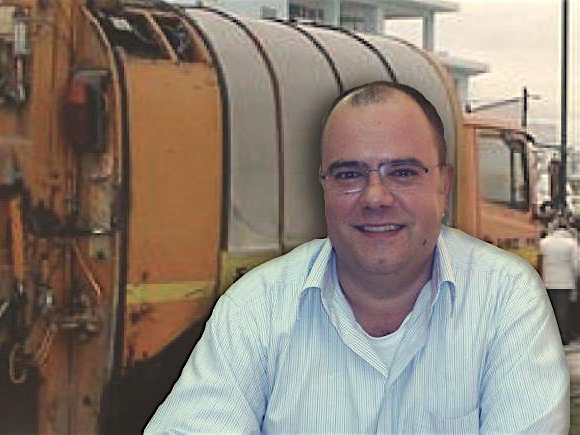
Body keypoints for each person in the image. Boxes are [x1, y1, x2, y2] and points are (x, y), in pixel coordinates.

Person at [145, 82, 568, 433]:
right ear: (323, 187)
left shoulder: (505, 300)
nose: (375, 198)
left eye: (402, 173)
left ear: (443, 186)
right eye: (349, 175)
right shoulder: (255, 308)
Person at [540, 216, 580, 345]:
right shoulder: (571, 243)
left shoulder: (544, 242)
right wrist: (575, 278)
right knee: (562, 311)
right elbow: (576, 264)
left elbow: (540, 260)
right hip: (565, 281)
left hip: (547, 280)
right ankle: (562, 337)